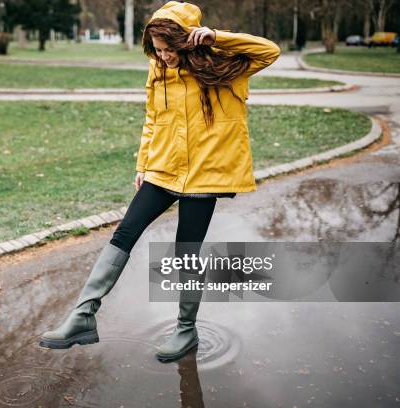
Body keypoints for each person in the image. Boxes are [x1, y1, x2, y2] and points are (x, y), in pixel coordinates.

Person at [39, 1, 280, 362]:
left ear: (186, 41)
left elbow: (269, 51)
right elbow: (152, 119)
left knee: (187, 251)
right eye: (158, 49)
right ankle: (82, 316)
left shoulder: (224, 65)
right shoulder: (157, 70)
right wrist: (143, 163)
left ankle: (185, 329)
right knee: (124, 233)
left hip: (204, 174)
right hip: (163, 169)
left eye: (169, 49)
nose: (163, 56)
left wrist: (217, 37)